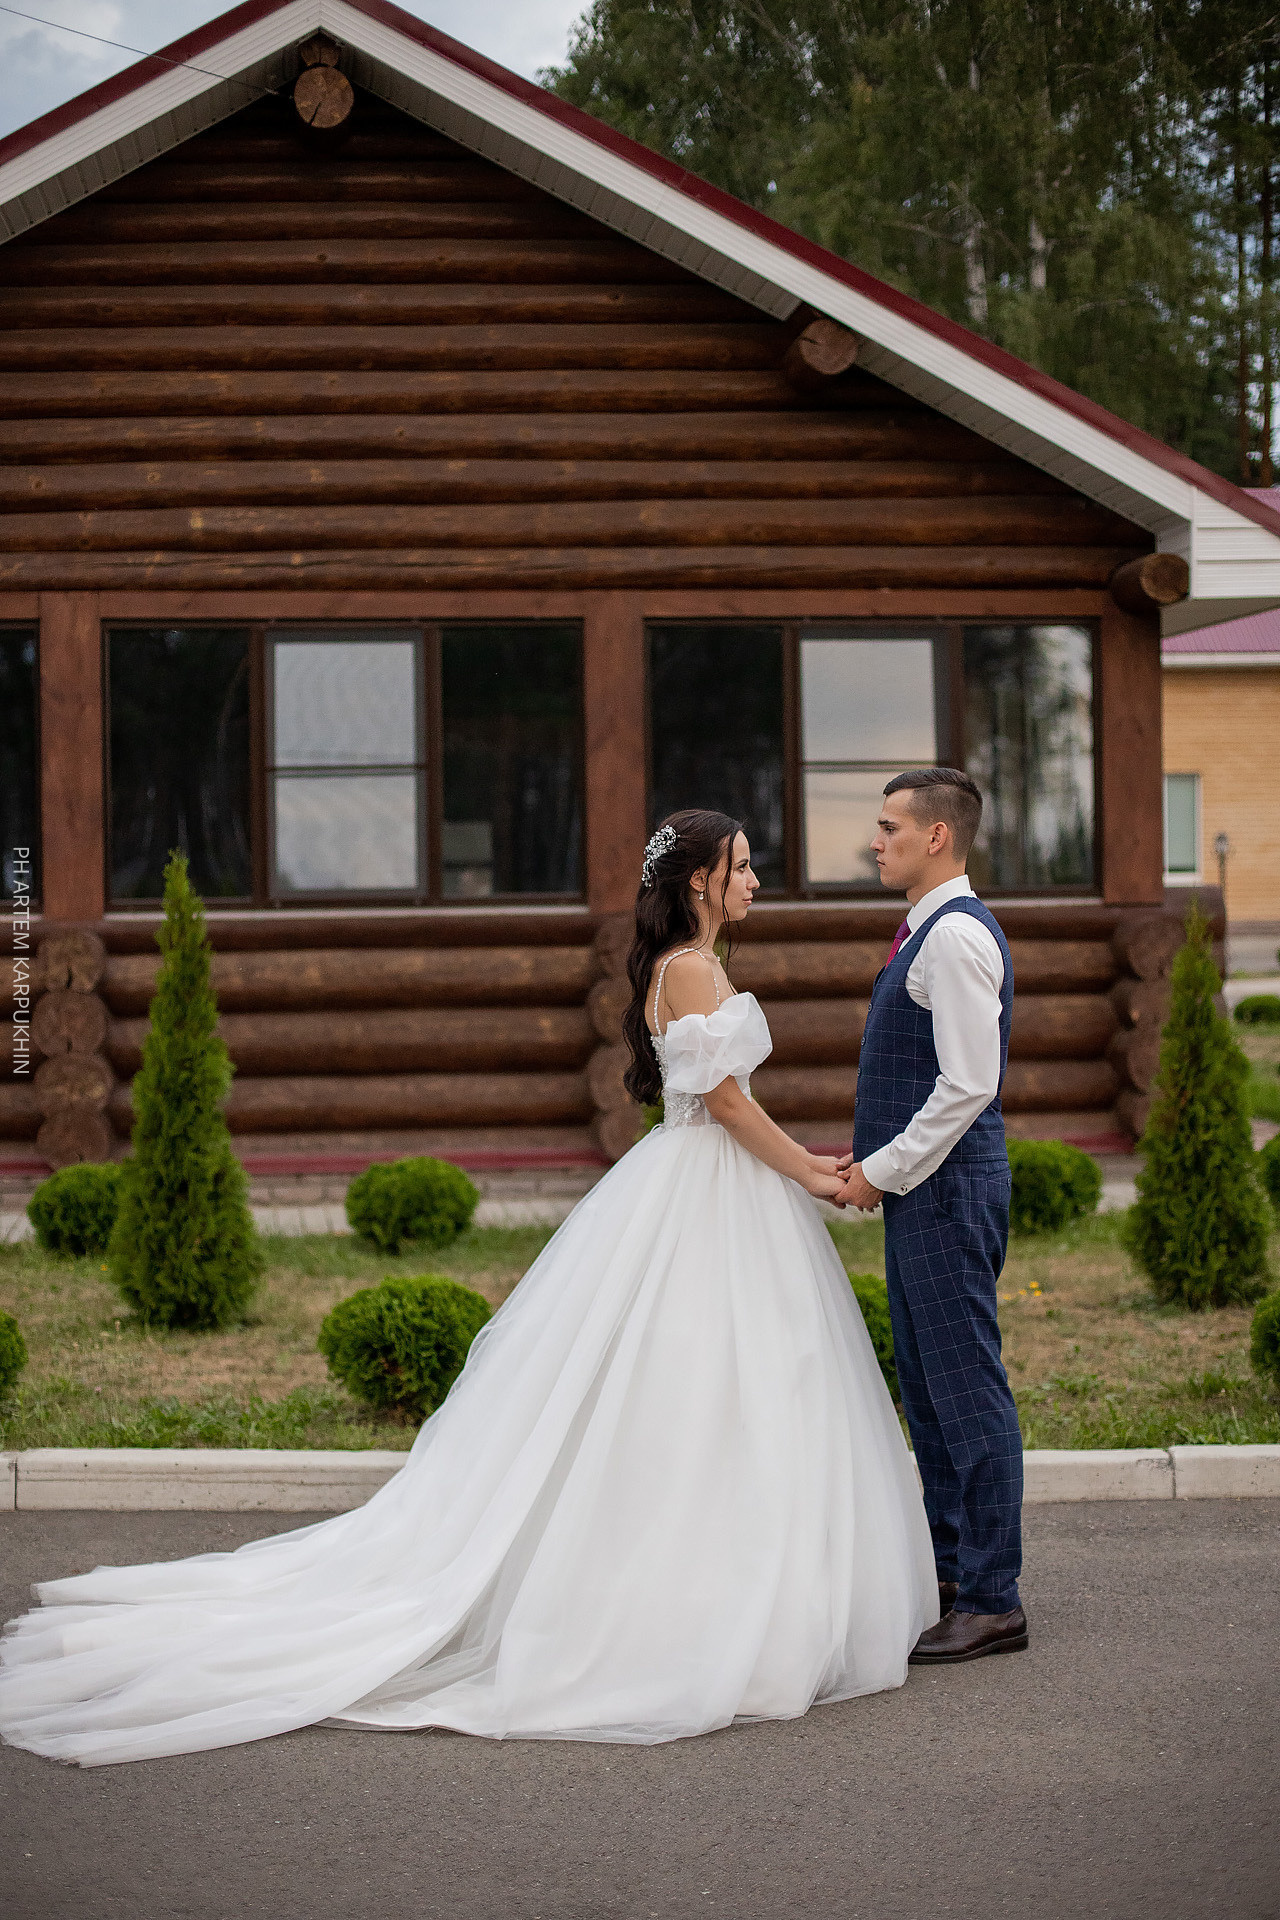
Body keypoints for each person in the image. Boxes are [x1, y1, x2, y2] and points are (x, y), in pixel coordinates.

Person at [0, 808, 936, 1767]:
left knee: (716, 1389)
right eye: (741, 867)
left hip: (705, 1187)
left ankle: (721, 1580)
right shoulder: (691, 969)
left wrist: (799, 1165)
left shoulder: (698, 963)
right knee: (701, 1388)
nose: (752, 881)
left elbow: (727, 1096)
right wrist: (815, 1175)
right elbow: (728, 1103)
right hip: (709, 1190)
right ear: (699, 880)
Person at [836, 769, 1027, 1663]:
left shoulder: (953, 940)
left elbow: (968, 1086)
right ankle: (952, 1577)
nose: (877, 840)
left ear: (937, 837)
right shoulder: (928, 932)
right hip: (925, 1194)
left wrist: (882, 1169)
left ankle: (993, 1597)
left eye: (889, 826)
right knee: (929, 1392)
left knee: (965, 1393)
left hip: (943, 1193)